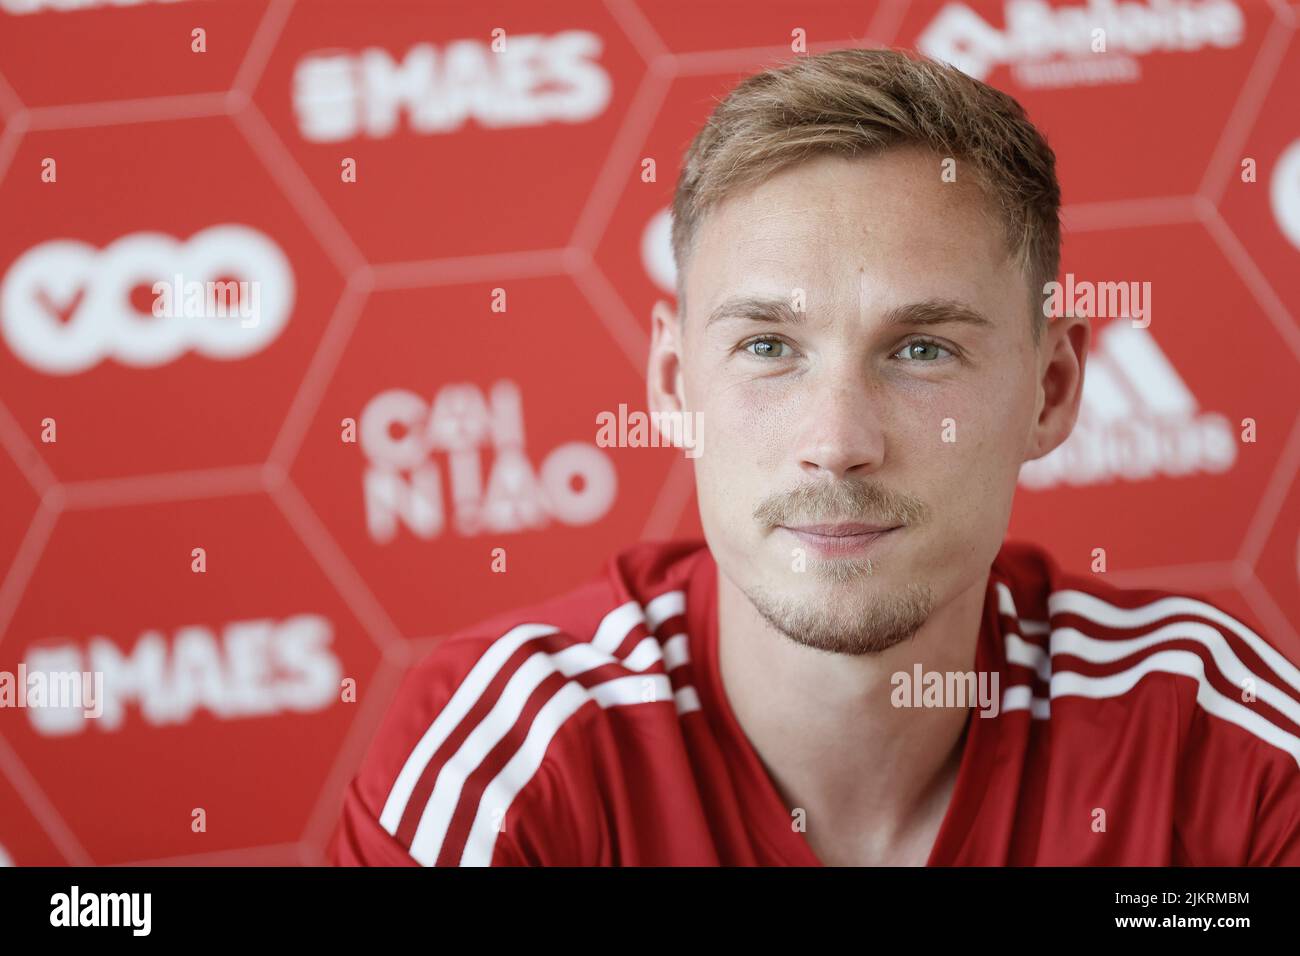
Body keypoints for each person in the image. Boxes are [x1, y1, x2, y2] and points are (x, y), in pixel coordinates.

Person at [329, 48, 1300, 866]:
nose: (836, 444)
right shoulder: (507, 765)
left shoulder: (1215, 747)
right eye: (768, 346)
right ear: (672, 382)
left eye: (922, 350)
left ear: (1049, 390)